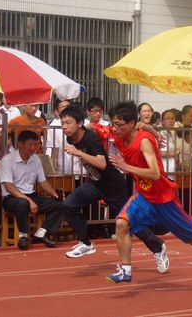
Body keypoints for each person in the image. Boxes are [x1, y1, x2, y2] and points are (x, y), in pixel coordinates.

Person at [105, 101, 192, 285]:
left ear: (130, 123)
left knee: (191, 235)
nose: (115, 128)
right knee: (121, 224)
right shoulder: (120, 133)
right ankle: (126, 270)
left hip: (163, 197)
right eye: (114, 124)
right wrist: (150, 128)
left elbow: (154, 173)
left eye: (119, 124)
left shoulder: (143, 142)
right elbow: (108, 128)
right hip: (144, 196)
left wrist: (125, 166)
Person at [60, 104, 169, 273]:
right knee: (69, 205)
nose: (64, 127)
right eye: (62, 123)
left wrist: (79, 153)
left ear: (79, 123)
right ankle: (86, 243)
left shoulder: (91, 139)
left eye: (68, 123)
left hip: (113, 185)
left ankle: (157, 246)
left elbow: (102, 163)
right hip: (95, 184)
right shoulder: (72, 138)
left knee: (131, 223)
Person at [0, 130, 64, 250]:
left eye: (35, 144)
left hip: (31, 196)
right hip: (12, 198)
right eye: (30, 144)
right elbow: (8, 186)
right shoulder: (7, 160)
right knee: (22, 203)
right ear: (20, 144)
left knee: (61, 204)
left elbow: (43, 182)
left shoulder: (36, 159)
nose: (33, 148)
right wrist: (29, 200)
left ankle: (41, 233)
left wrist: (55, 194)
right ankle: (23, 236)